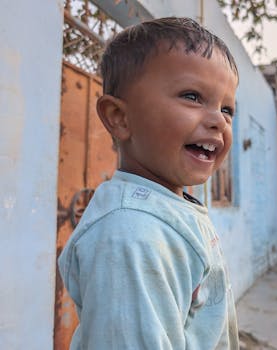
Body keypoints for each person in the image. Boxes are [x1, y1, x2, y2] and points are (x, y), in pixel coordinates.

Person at [58, 17, 239, 349]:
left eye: (228, 109)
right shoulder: (131, 236)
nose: (218, 121)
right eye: (193, 96)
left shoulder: (168, 209)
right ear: (120, 118)